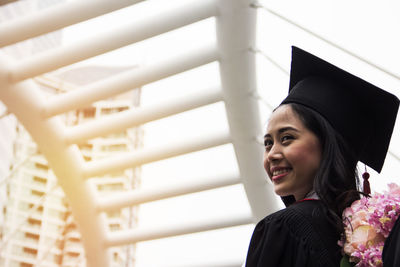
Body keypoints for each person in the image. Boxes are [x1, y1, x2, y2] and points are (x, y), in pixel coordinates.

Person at [244, 46, 399, 267]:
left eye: (287, 138)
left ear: (327, 145)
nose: (272, 154)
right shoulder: (367, 237)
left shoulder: (285, 227)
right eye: (268, 143)